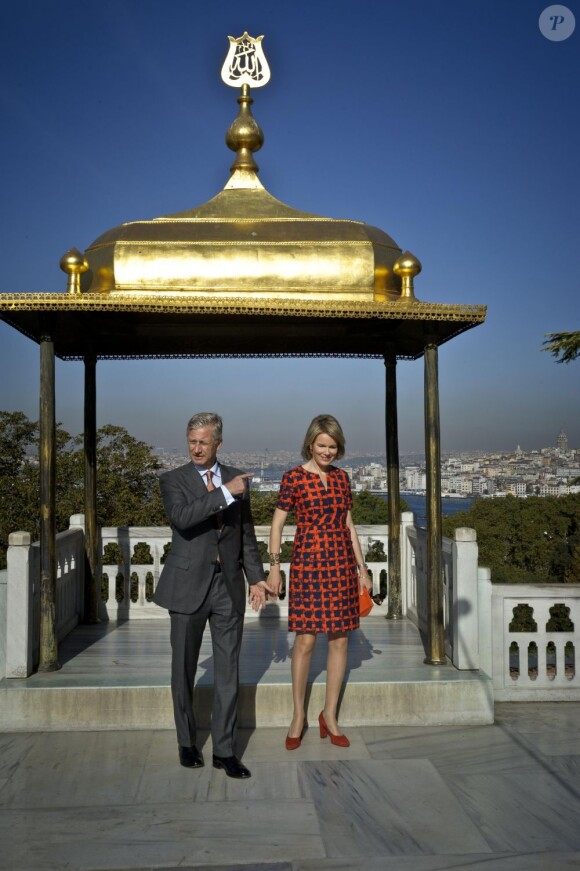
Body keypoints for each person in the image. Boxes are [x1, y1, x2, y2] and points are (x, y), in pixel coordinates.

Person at [153, 412, 274, 778]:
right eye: (192, 441)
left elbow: (245, 532)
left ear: (218, 443)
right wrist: (225, 493)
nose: (196, 448)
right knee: (183, 670)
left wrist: (255, 578)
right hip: (186, 587)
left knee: (228, 671)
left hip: (228, 587)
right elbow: (183, 518)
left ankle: (224, 751)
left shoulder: (238, 478)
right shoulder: (173, 480)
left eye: (204, 442)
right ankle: (187, 743)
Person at [267, 414, 372, 750]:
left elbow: (349, 525)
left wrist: (363, 569)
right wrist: (274, 567)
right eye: (322, 445)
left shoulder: (342, 479)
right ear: (310, 444)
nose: (327, 451)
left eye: (333, 446)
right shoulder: (293, 478)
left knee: (340, 641)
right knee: (306, 642)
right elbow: (277, 526)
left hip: (341, 565)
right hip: (308, 565)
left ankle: (329, 715)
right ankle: (298, 715)